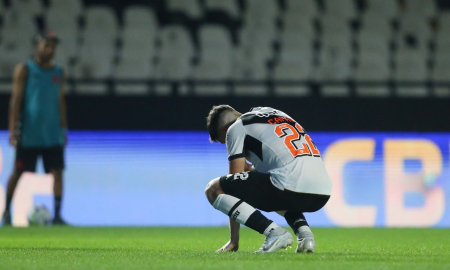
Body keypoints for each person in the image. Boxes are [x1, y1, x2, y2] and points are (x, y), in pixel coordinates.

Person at [205, 105, 332, 253]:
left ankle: (274, 233)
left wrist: (234, 240)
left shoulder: (236, 128)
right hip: (323, 191)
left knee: (213, 189)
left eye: (226, 142)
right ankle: (306, 237)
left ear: (225, 131)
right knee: (277, 186)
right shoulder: (276, 113)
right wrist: (253, 170)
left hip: (289, 186)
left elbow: (233, 188)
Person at [1, 30, 68, 226]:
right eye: (46, 44)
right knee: (18, 171)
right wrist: (13, 129)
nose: (50, 48)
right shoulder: (25, 70)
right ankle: (6, 212)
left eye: (53, 45)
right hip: (30, 133)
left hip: (52, 134)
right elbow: (16, 100)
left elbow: (60, 101)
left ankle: (57, 216)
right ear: (36, 46)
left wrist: (64, 129)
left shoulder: (59, 72)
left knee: (57, 171)